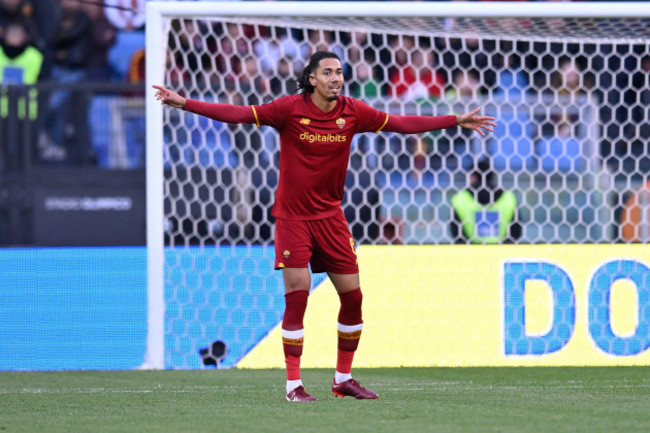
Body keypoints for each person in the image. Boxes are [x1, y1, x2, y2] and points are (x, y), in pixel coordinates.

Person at [153, 51, 496, 402]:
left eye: (340, 72)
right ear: (312, 79)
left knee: (353, 297)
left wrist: (453, 120)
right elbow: (238, 114)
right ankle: (293, 387)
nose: (336, 78)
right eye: (328, 72)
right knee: (298, 294)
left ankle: (342, 379)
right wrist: (185, 103)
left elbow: (400, 123)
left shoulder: (353, 111)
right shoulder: (289, 108)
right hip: (293, 218)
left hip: (332, 218)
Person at [450, 158, 522, 244]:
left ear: (474, 176)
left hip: (470, 254)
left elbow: (456, 233)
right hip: (502, 253)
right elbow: (516, 232)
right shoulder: (509, 198)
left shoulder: (459, 199)